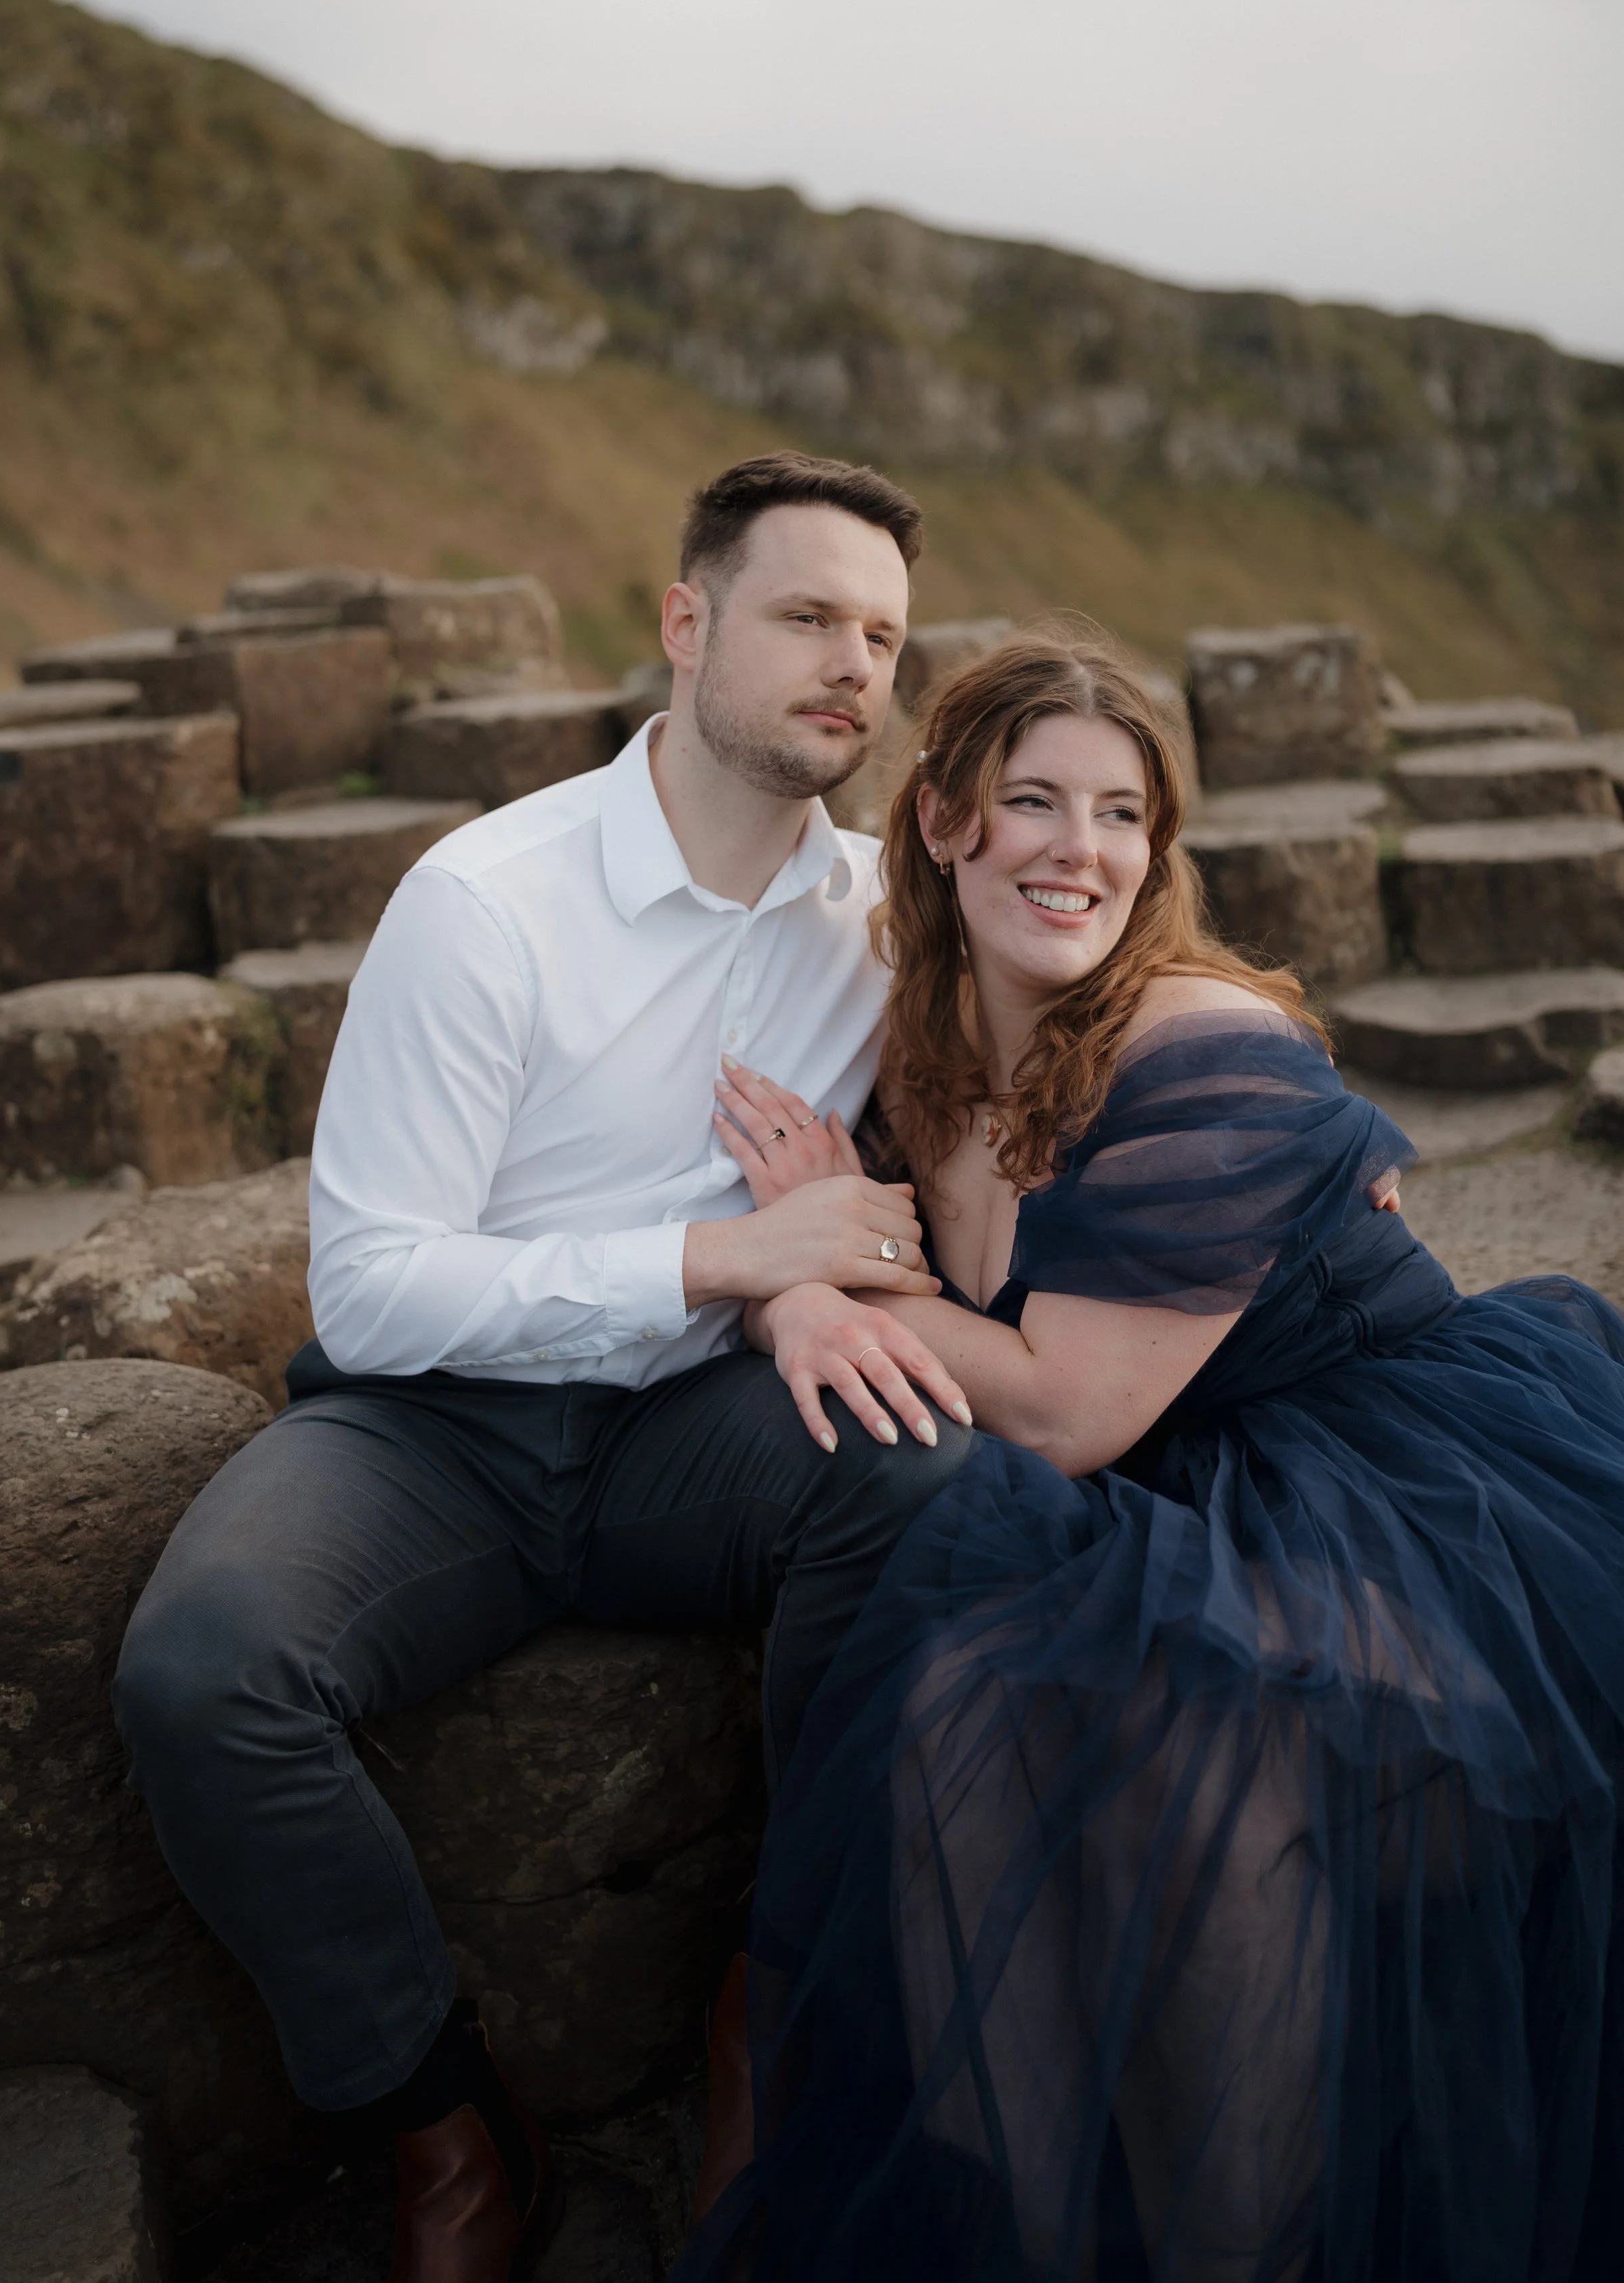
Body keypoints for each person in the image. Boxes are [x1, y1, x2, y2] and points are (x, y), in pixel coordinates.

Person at [112, 452, 983, 2283]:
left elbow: (1098, 979)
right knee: (206, 1670)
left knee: (922, 1478)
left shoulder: (880, 923)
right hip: (435, 1434)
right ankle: (444, 2115)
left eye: (882, 636)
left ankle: (767, 2000)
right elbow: (370, 1288)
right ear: (686, 623)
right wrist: (725, 1258)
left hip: (694, 1430)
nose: (851, 665)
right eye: (806, 615)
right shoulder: (485, 899)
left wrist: (1286, 1107)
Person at [675, 629, 1624, 2283]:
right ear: (942, 821)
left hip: (1386, 1473)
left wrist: (827, 1255)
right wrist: (806, 1259)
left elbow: (1058, 1409)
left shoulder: (1194, 1044)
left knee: (1217, 1785)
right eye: (1034, 802)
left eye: (1121, 817)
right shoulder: (910, 1051)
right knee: (968, 1749)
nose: (1081, 852)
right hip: (1176, 1484)